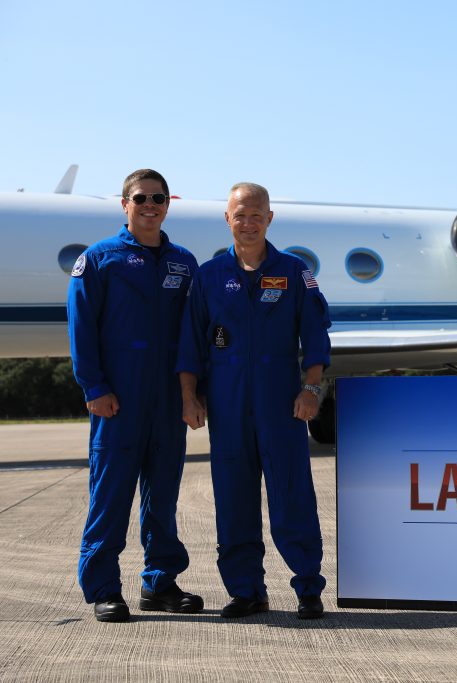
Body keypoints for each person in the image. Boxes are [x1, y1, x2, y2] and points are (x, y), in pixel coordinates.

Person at [177, 182, 330, 619]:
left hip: (281, 405)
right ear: (228, 219)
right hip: (227, 407)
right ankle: (246, 591)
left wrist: (312, 389)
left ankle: (307, 587)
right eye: (239, 215)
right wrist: (190, 397)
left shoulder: (294, 272)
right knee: (234, 500)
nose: (248, 223)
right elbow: (190, 344)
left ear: (269, 218)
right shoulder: (208, 276)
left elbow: (316, 337)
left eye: (256, 214)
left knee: (292, 495)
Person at [67, 169, 203, 622]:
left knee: (161, 496)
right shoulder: (99, 259)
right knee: (110, 495)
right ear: (124, 204)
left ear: (168, 204)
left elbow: (194, 333)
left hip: (168, 398)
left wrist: (192, 393)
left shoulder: (184, 263)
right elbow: (81, 329)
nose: (150, 205)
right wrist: (95, 387)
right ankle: (104, 587)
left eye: (159, 198)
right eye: (141, 197)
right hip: (118, 398)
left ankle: (160, 583)